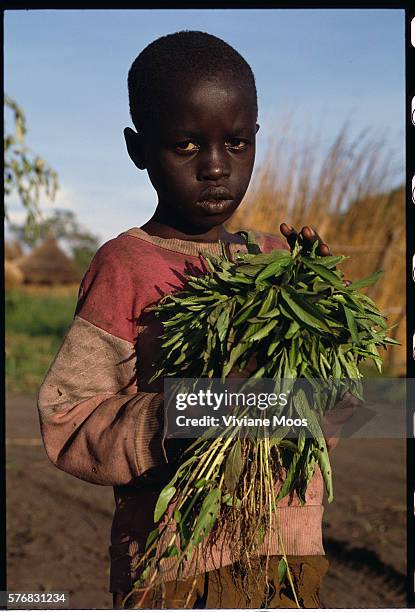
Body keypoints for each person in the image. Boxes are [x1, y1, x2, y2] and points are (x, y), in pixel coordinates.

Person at [37, 30, 355, 609]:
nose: (215, 167)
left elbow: (331, 416)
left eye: (236, 144)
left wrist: (322, 324)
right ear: (139, 149)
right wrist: (185, 415)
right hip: (175, 570)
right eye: (186, 146)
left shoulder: (277, 262)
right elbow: (68, 418)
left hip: (285, 560)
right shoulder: (125, 265)